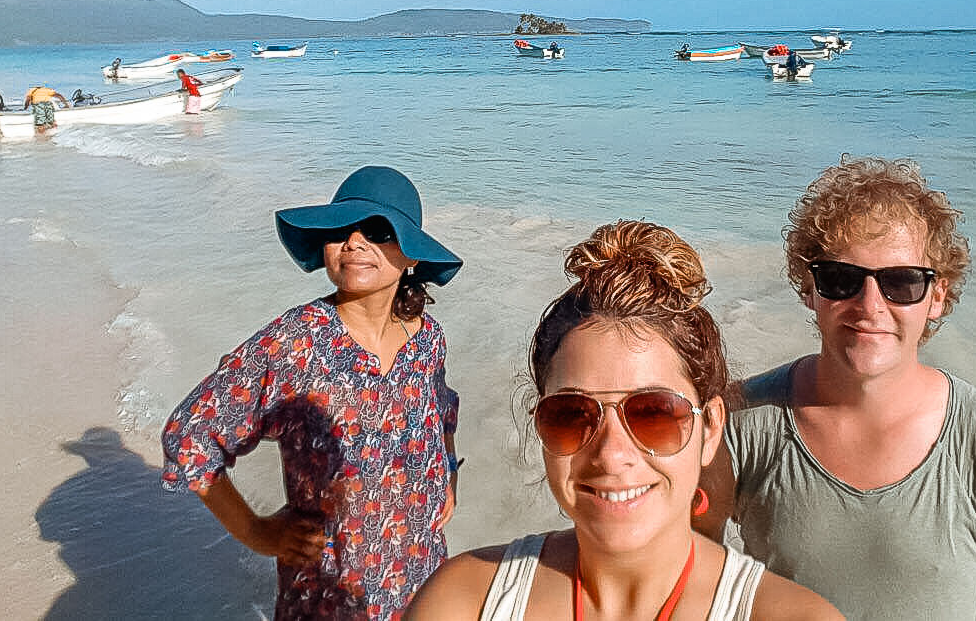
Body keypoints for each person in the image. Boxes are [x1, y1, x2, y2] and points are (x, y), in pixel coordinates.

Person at [407, 220, 839, 621]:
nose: (612, 454)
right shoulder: (461, 601)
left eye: (654, 413)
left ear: (710, 428)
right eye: (572, 415)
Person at [704, 157, 976, 620]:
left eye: (901, 282)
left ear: (937, 296)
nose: (869, 306)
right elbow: (686, 577)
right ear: (809, 289)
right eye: (841, 279)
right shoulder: (738, 423)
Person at [162, 166, 465, 620]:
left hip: (422, 581)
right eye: (341, 229)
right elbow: (191, 435)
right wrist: (257, 532)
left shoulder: (427, 339)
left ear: (413, 257)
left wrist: (448, 475)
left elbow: (442, 410)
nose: (355, 242)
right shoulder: (295, 344)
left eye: (379, 231)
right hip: (328, 593)